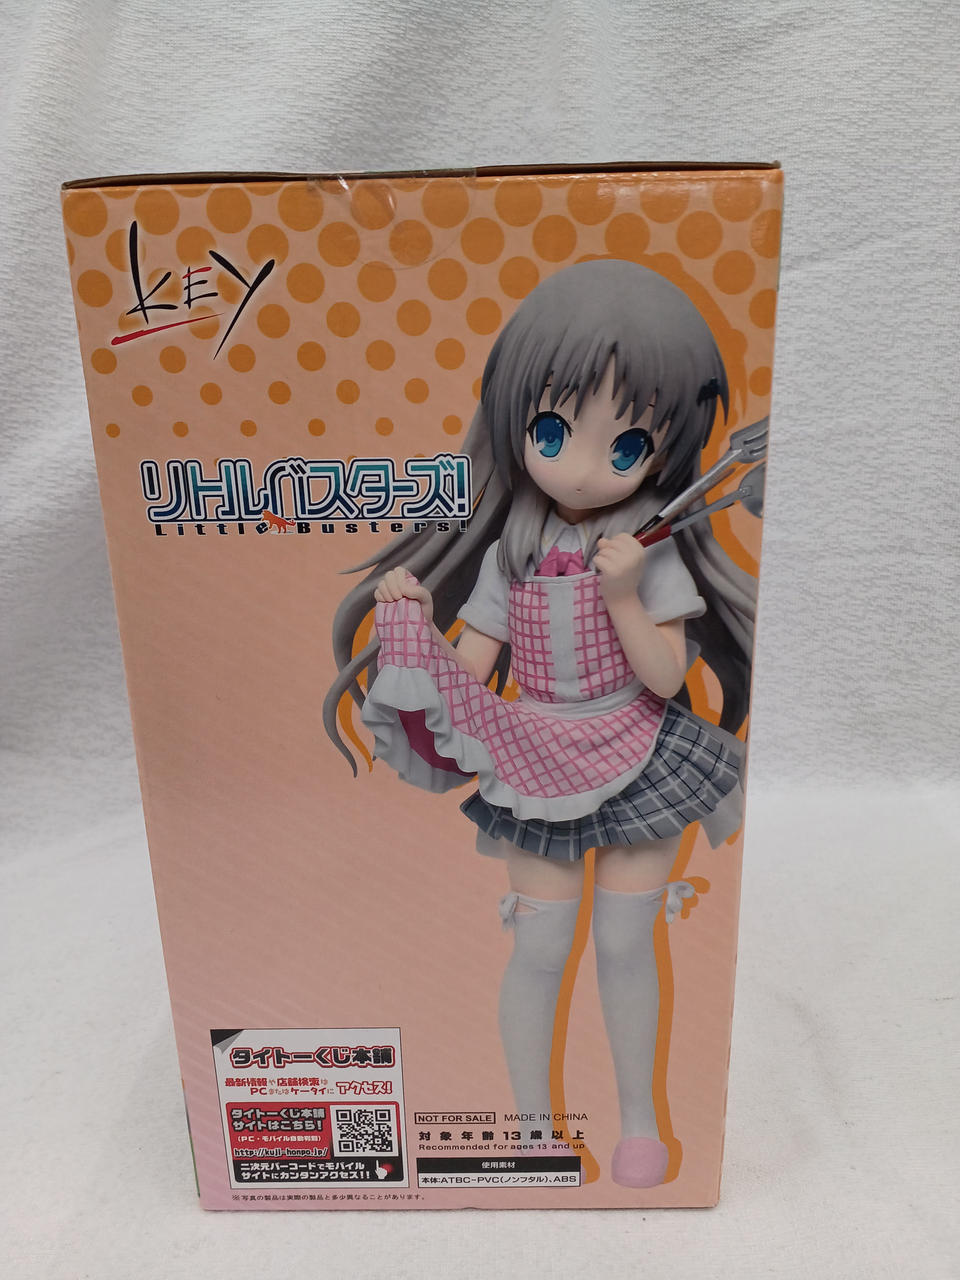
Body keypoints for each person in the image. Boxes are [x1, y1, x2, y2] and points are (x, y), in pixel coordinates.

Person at [324, 259, 758, 1187]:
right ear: (516, 419)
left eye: (627, 445)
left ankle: (639, 1125)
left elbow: (666, 676)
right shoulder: (512, 552)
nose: (582, 467)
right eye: (552, 431)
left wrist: (627, 594)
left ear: (665, 448)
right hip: (537, 755)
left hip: (641, 750)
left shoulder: (646, 549)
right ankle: (533, 1130)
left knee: (626, 943)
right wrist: (413, 627)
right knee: (541, 946)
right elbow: (474, 668)